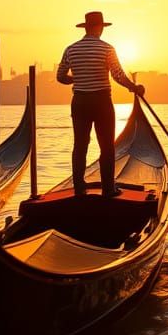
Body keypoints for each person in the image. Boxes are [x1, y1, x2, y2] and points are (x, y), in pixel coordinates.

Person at [57, 11, 145, 197]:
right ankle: (108, 188)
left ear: (86, 27)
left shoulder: (71, 49)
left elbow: (60, 77)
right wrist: (133, 87)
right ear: (100, 28)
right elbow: (118, 75)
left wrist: (78, 77)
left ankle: (79, 188)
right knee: (106, 146)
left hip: (80, 101)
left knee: (80, 145)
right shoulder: (107, 49)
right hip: (101, 101)